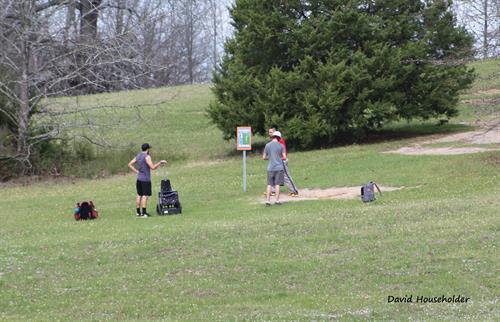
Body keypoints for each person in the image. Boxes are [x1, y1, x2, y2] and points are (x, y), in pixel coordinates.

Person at [128, 143, 166, 217]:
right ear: (147, 149)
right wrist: (160, 162)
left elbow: (129, 164)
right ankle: (144, 213)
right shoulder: (147, 156)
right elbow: (152, 167)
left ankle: (138, 213)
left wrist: (136, 171)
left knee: (139, 195)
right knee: (145, 195)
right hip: (145, 179)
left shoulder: (138, 155)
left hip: (139, 179)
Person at [268, 127, 299, 196]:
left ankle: (294, 191)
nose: (269, 134)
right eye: (269, 132)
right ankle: (273, 191)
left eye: (271, 132)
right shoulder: (274, 140)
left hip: (282, 160)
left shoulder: (279, 140)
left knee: (286, 176)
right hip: (277, 161)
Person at [263, 131, 287, 205]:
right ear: (279, 138)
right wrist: (280, 158)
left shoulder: (267, 145)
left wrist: (270, 158)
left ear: (272, 137)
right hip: (279, 168)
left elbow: (264, 157)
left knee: (269, 184)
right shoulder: (281, 146)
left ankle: (267, 201)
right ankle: (277, 200)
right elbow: (284, 157)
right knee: (277, 184)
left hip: (270, 168)